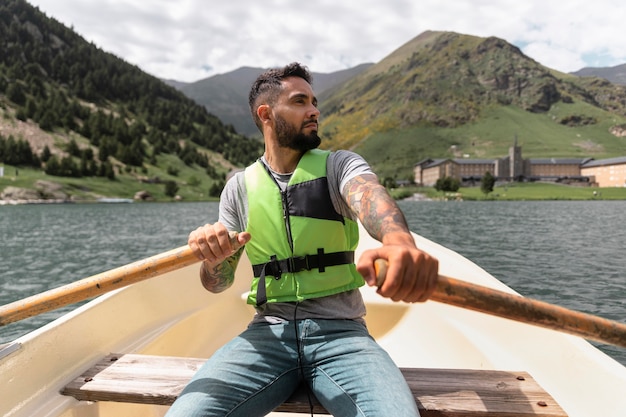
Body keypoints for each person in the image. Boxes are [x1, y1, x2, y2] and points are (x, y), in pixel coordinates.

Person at [165, 62, 439, 417]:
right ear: (266, 113)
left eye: (313, 101)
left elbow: (369, 196)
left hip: (343, 336)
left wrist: (399, 240)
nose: (314, 111)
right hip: (266, 336)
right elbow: (217, 284)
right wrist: (212, 258)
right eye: (300, 102)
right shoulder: (238, 188)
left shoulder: (340, 165)